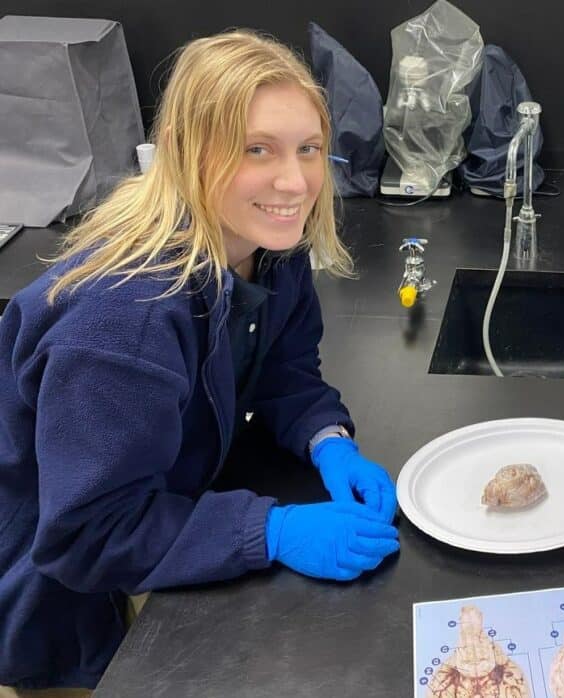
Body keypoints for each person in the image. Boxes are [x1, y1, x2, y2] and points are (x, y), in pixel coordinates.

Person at [0, 30, 400, 692]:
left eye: (307, 148)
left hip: (162, 515)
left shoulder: (264, 245)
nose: (295, 181)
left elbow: (282, 369)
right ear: (188, 151)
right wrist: (270, 531)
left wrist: (327, 440)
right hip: (59, 605)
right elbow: (86, 535)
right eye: (256, 149)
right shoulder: (124, 320)